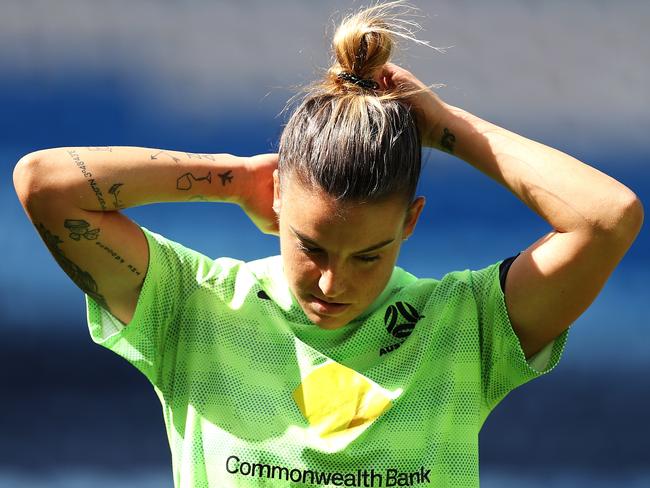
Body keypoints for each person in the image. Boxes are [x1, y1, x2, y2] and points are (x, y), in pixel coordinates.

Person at [13, 1, 643, 487]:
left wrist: (443, 124)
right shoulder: (195, 306)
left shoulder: (467, 328)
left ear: (411, 223)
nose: (332, 283)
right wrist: (234, 179)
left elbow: (608, 216)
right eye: (311, 246)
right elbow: (46, 184)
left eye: (367, 255)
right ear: (279, 200)